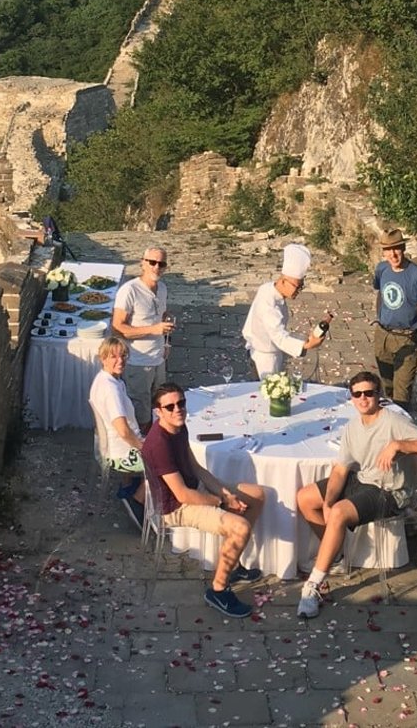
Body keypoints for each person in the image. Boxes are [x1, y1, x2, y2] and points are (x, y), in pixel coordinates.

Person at [295, 368, 417, 619]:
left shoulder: (393, 421)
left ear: (378, 394)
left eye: (369, 393)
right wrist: (328, 501)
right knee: (306, 498)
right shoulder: (352, 427)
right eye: (357, 394)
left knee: (339, 513)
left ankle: (314, 584)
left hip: (390, 490)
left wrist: (399, 445)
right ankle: (336, 556)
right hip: (363, 479)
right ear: (351, 398)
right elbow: (341, 470)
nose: (363, 398)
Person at [141, 381, 265, 619]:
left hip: (192, 489)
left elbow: (197, 468)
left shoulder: (179, 427)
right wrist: (220, 501)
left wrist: (225, 493)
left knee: (257, 495)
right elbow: (182, 495)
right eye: (170, 407)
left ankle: (231, 566)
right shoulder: (159, 444)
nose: (178, 409)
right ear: (158, 411)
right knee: (240, 528)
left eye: (181, 403)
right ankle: (218, 590)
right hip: (175, 507)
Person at [242, 243, 329, 379]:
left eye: (301, 287)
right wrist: (307, 345)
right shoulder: (269, 306)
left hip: (269, 352)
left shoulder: (267, 288)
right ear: (283, 281)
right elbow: (279, 336)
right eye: (296, 286)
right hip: (265, 359)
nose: (298, 291)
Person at [371, 229, 417, 412]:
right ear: (383, 252)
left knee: (401, 395)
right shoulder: (381, 269)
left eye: (396, 249)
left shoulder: (416, 274)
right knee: (386, 387)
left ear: (403, 249)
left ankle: (402, 424)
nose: (393, 254)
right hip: (383, 336)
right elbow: (380, 293)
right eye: (388, 250)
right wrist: (380, 318)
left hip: (406, 338)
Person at [111, 247, 175, 430]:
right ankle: (143, 444)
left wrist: (166, 341)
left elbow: (160, 316)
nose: (156, 267)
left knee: (160, 405)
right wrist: (154, 329)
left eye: (161, 264)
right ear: (142, 263)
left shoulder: (162, 288)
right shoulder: (129, 291)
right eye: (152, 262)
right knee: (141, 414)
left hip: (158, 359)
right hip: (138, 362)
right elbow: (117, 328)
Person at [87, 336, 146, 527]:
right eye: (113, 357)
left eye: (123, 356)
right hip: (122, 454)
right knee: (166, 459)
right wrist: (143, 447)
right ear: (103, 358)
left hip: (111, 447)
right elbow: (123, 431)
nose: (120, 361)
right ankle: (137, 500)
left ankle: (128, 486)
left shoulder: (104, 379)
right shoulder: (110, 390)